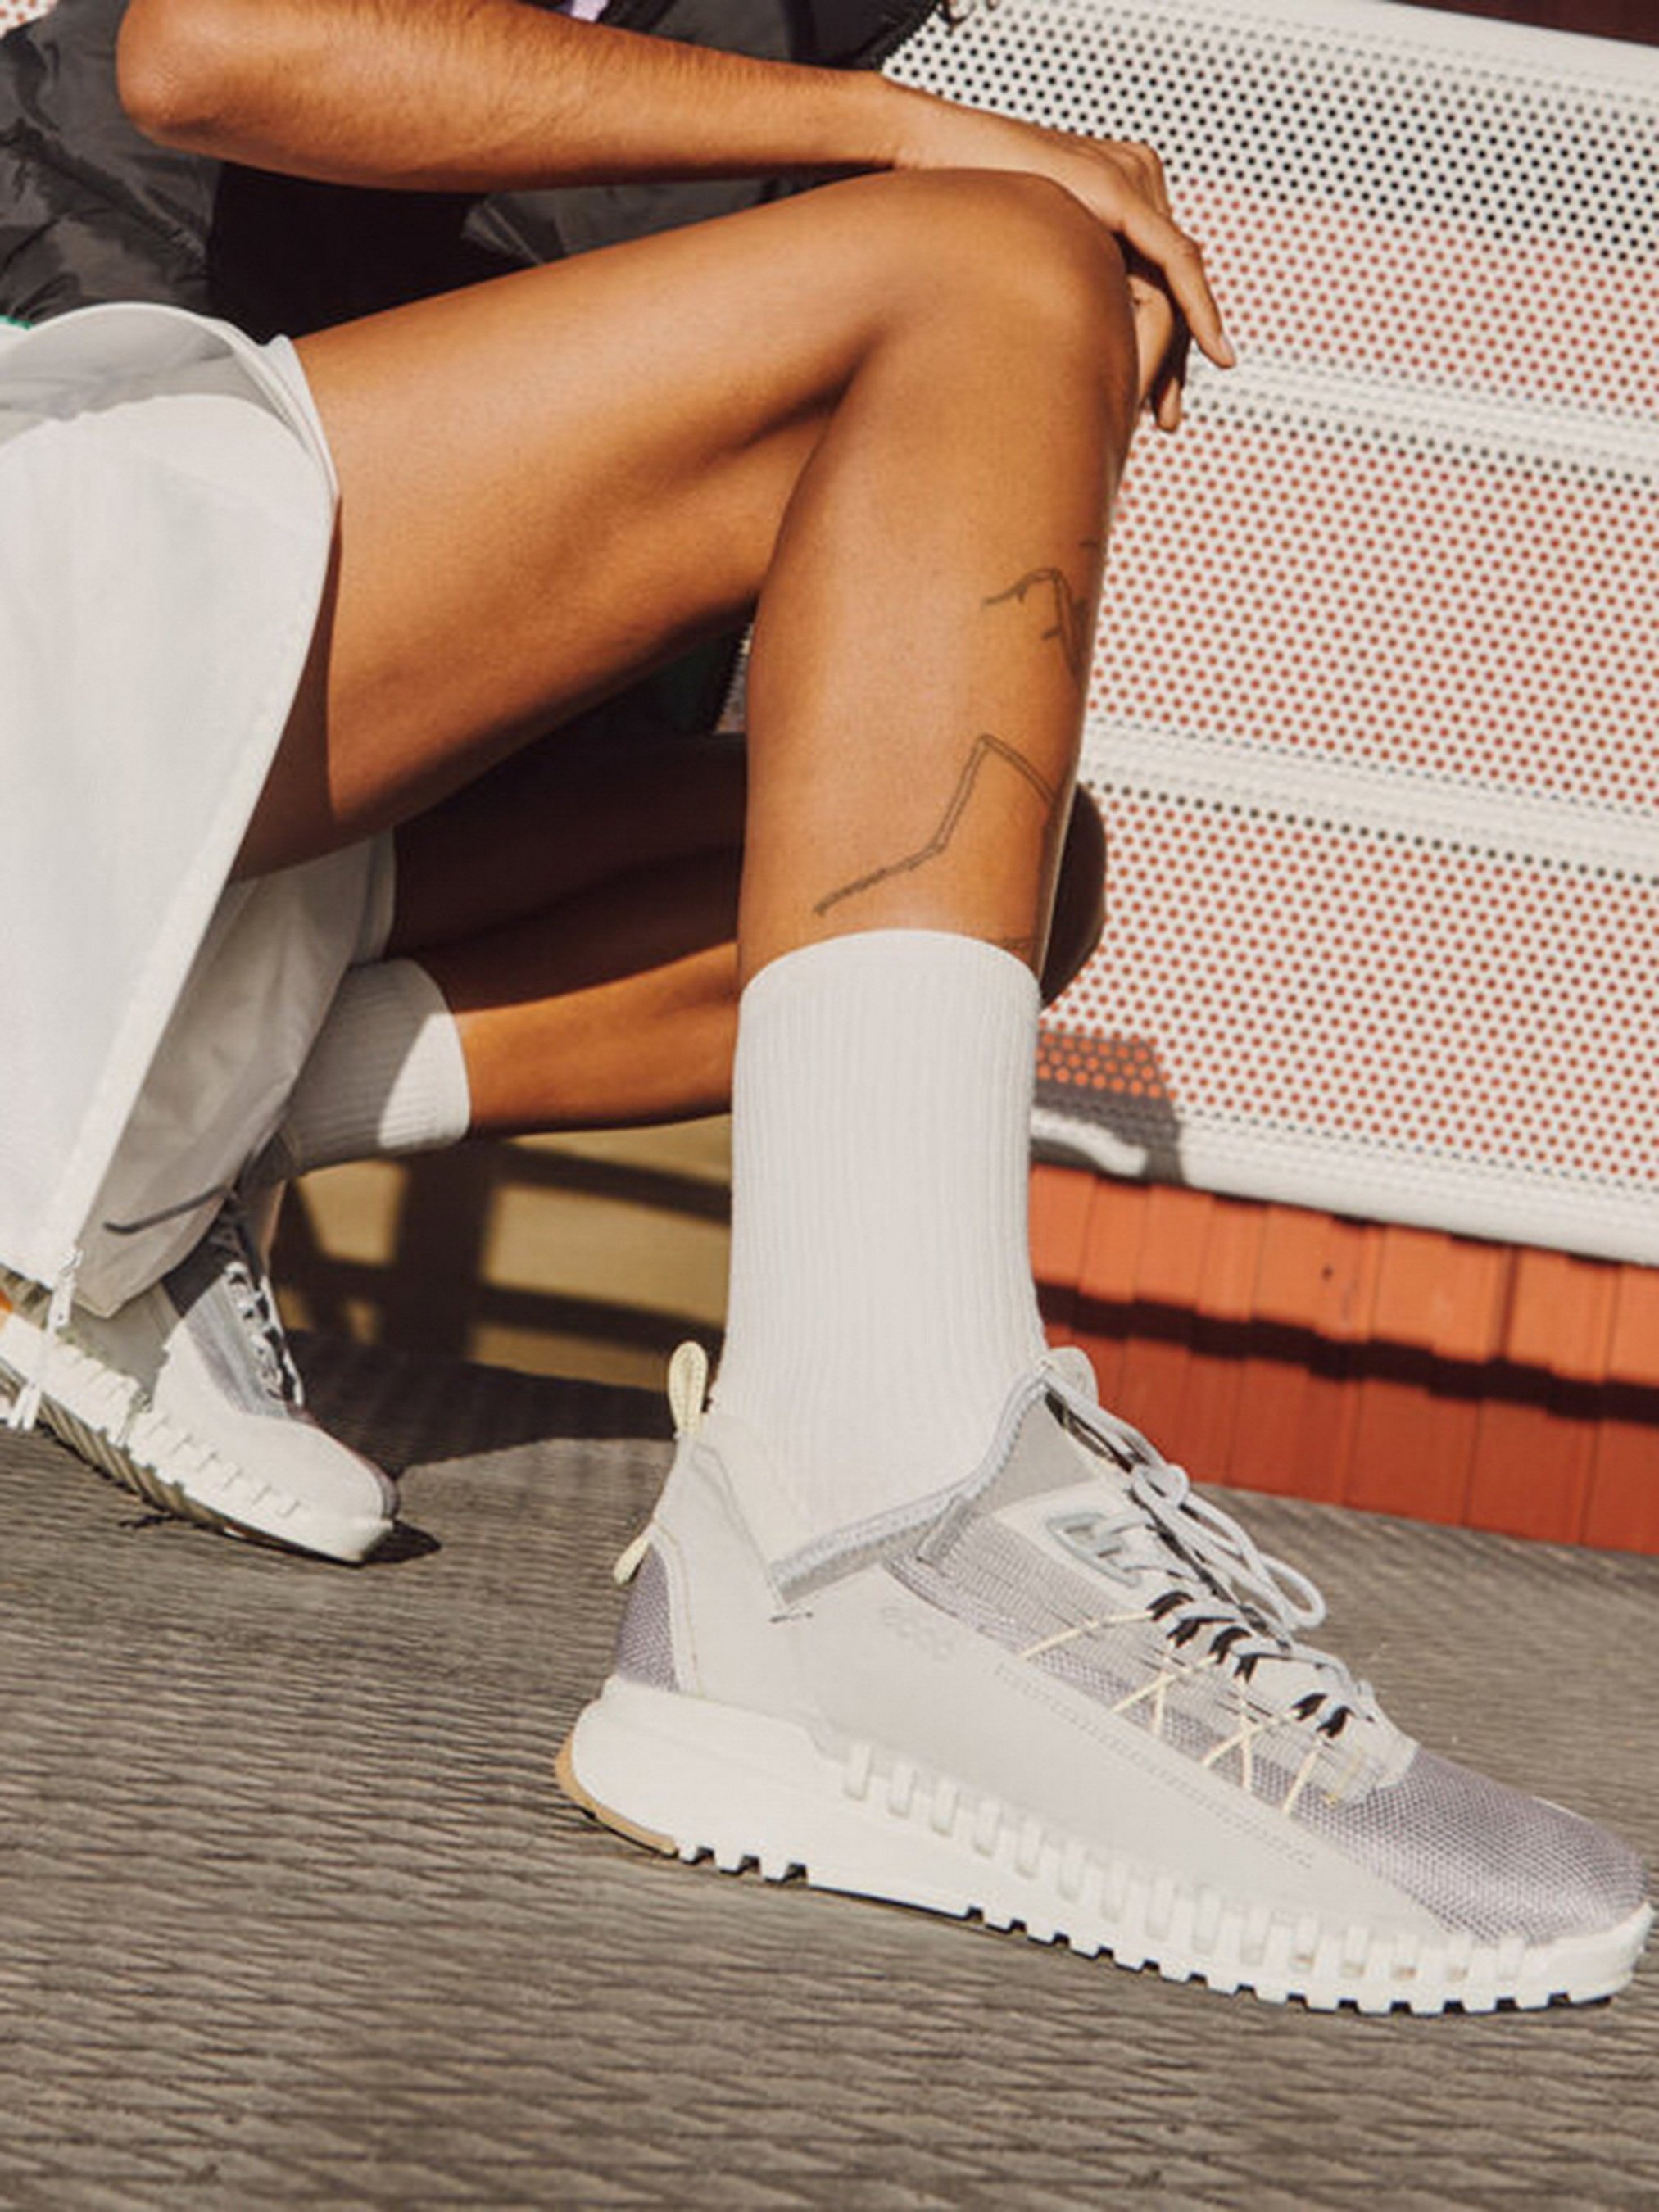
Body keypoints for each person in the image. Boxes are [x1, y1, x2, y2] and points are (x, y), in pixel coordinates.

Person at [0, 0, 1648, 2011]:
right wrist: (908, 158)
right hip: (69, 524)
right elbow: (214, 46)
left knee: (1009, 846)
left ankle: (146, 1144)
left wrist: (983, 354)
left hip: (199, 675)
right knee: (984, 266)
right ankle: (875, 1517)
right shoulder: (827, 78)